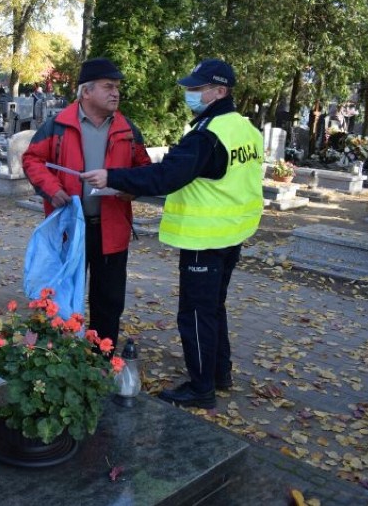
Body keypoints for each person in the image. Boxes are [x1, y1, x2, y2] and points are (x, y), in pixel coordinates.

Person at [81, 58, 264, 409]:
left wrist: (113, 177)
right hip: (233, 233)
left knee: (195, 312)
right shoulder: (243, 128)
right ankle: (218, 374)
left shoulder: (208, 136)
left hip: (204, 237)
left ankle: (200, 388)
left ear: (220, 91)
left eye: (197, 88)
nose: (189, 93)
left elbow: (164, 177)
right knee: (214, 307)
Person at [22, 57, 152, 350]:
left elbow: (144, 170)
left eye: (117, 87)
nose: (115, 93)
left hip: (112, 231)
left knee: (108, 301)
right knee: (62, 295)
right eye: (108, 86)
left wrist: (131, 188)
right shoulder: (57, 125)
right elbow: (32, 159)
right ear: (86, 91)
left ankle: (101, 360)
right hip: (70, 230)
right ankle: (59, 355)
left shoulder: (128, 129)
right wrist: (52, 189)